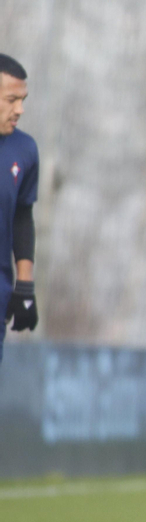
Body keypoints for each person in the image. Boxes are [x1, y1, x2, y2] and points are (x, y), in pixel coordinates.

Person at [0, 54, 39, 366]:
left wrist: (24, 285)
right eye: (11, 100)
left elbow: (22, 215)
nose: (20, 110)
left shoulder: (24, 150)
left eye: (23, 100)